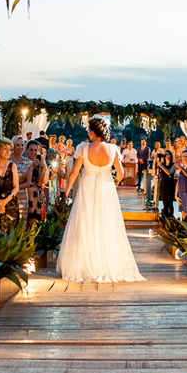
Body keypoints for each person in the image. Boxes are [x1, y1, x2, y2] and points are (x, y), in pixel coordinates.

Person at [56, 118, 144, 283]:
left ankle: (83, 265)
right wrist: (113, 182)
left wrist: (67, 190)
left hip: (87, 188)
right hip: (107, 189)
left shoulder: (83, 148)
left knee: (85, 223)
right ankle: (107, 264)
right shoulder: (113, 149)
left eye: (89, 130)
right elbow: (121, 174)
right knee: (106, 224)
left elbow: (75, 171)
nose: (88, 133)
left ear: (93, 132)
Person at [155, 150, 177, 219]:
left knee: (169, 200)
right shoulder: (162, 164)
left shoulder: (173, 165)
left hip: (170, 184)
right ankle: (165, 215)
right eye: (165, 154)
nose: (166, 156)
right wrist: (156, 159)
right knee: (164, 200)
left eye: (168, 154)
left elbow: (169, 172)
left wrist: (161, 166)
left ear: (171, 156)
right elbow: (155, 169)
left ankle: (171, 215)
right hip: (163, 183)